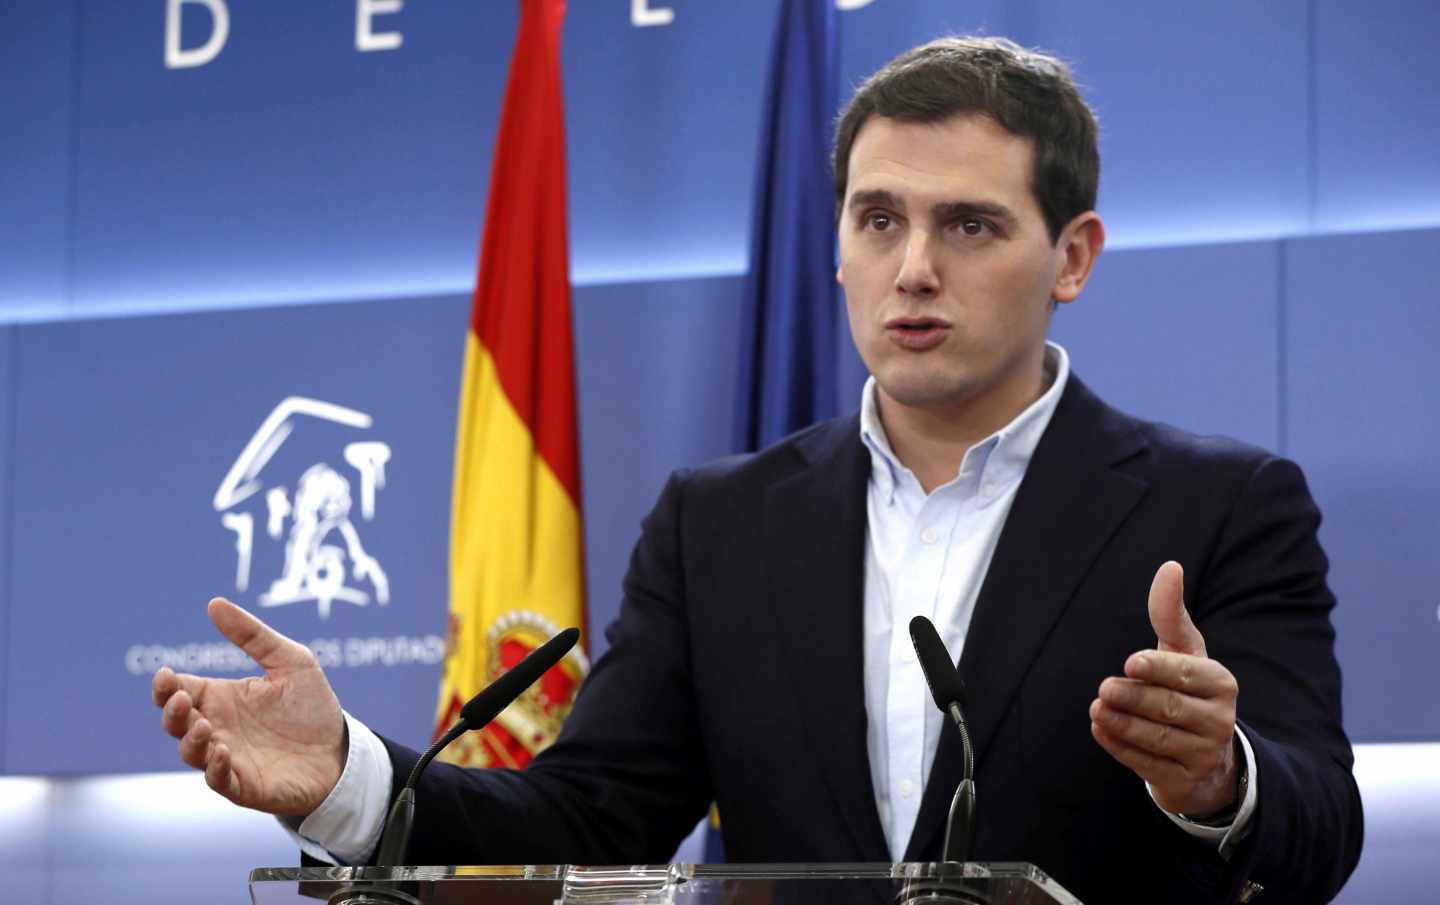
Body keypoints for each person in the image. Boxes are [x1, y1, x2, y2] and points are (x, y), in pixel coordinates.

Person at [152, 36, 1362, 904]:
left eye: (971, 225)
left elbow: (1322, 827)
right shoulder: (717, 524)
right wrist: (345, 777)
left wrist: (1221, 777)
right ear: (836, 245)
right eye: (878, 219)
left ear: (1074, 256)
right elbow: (589, 818)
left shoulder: (1223, 507)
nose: (915, 267)